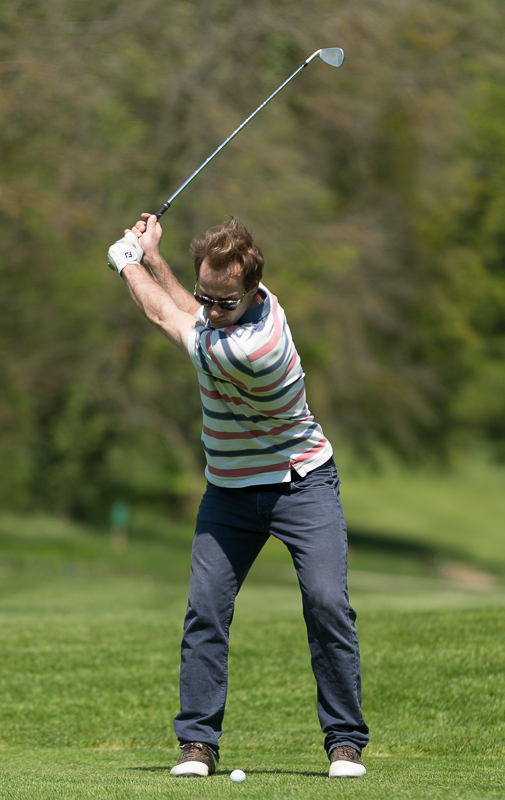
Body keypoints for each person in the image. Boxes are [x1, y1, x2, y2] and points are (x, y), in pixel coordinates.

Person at [107, 213, 369, 779]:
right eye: (206, 294)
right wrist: (154, 256)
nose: (212, 307)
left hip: (300, 482)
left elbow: (166, 315)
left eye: (225, 301)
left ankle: (345, 742)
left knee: (327, 603)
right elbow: (195, 311)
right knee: (205, 609)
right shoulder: (226, 310)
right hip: (228, 491)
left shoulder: (257, 347)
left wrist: (127, 262)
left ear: (254, 290)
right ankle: (197, 745)